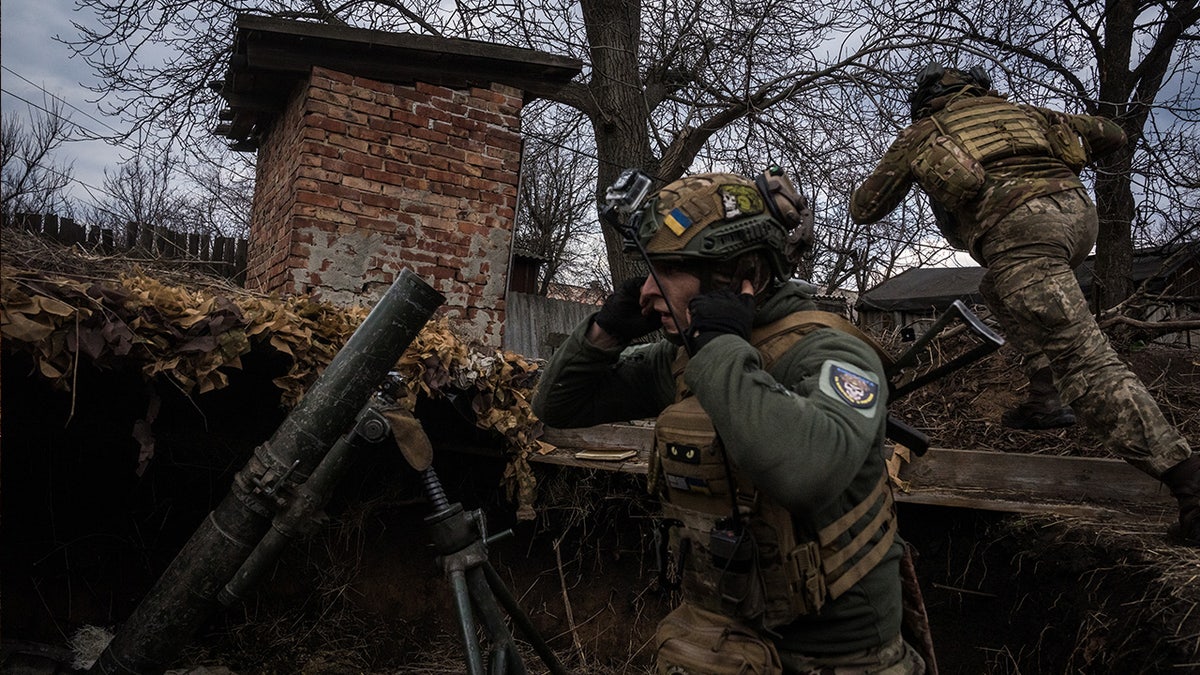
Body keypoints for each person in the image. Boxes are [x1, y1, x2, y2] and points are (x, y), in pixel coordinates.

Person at [533, 170, 927, 674]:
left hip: (839, 656)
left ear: (743, 276)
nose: (647, 291)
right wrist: (603, 334)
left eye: (667, 271)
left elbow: (806, 471)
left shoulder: (832, 354)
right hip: (721, 642)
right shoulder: (683, 359)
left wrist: (719, 344)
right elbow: (558, 406)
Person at [849, 63, 1199, 547]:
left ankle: (1188, 484)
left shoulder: (926, 131)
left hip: (1020, 229)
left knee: (1087, 361)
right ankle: (1045, 397)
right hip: (1077, 219)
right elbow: (1113, 134)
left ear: (927, 99)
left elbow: (864, 209)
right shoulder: (1028, 114)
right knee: (997, 287)